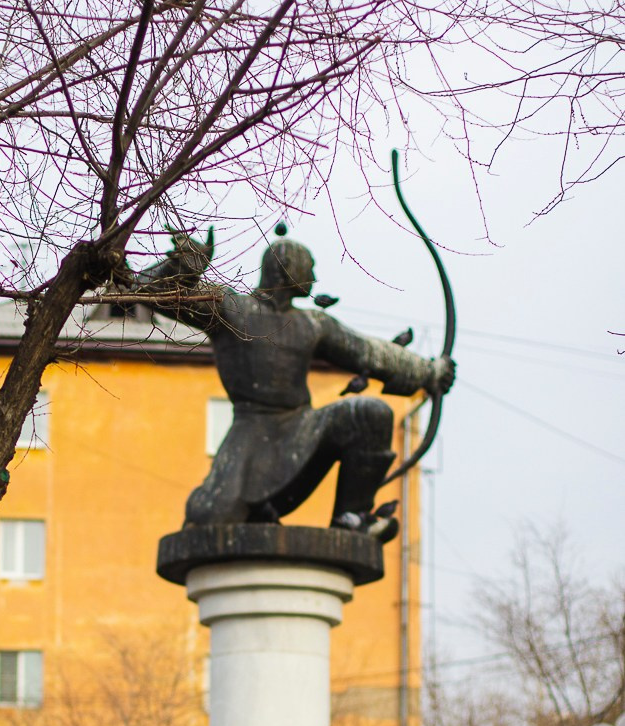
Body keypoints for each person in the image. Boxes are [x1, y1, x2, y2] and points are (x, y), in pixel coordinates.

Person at [133, 230, 455, 541]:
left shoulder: (312, 323)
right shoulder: (230, 307)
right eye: (308, 267)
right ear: (287, 268)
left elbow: (367, 351)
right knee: (208, 519)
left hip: (303, 428)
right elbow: (149, 290)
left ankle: (352, 518)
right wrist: (180, 266)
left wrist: (427, 371)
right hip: (251, 432)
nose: (313, 277)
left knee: (370, 414)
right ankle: (259, 512)